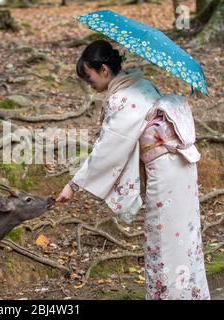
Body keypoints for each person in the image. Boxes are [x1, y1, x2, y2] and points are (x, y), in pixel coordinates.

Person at [56, 40, 210, 300]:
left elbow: (108, 150)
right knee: (184, 238)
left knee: (164, 242)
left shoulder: (121, 98)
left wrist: (73, 185)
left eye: (89, 76)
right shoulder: (140, 84)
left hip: (166, 173)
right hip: (181, 168)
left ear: (104, 70)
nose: (88, 83)